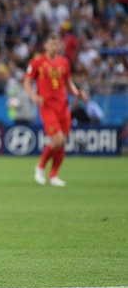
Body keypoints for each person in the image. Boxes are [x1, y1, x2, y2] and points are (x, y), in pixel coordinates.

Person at [24, 32, 87, 187]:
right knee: (57, 139)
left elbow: (68, 83)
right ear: (45, 45)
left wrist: (77, 93)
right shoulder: (37, 62)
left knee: (62, 142)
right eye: (51, 43)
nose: (54, 46)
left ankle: (53, 175)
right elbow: (27, 82)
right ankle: (40, 167)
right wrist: (34, 96)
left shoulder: (64, 62)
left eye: (57, 43)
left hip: (63, 105)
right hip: (47, 106)